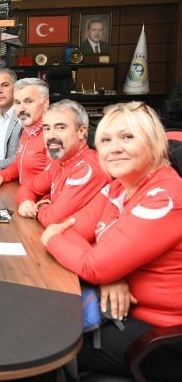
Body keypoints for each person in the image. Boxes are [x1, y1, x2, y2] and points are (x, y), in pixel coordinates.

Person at [41, 102, 182, 380]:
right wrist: (109, 274)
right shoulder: (117, 187)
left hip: (159, 336)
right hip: (116, 313)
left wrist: (51, 237)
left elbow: (89, 260)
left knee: (41, 338)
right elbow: (73, 232)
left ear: (154, 141)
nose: (114, 148)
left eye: (127, 137)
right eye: (105, 140)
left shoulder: (166, 197)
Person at [16, 100, 109, 226]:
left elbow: (53, 219)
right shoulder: (60, 161)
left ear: (81, 131)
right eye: (47, 128)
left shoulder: (88, 167)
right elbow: (28, 187)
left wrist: (41, 205)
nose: (51, 135)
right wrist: (25, 201)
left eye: (60, 127)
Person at [0, 78, 50, 189]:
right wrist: (0, 175)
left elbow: (54, 183)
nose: (21, 109)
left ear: (45, 103)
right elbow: (18, 164)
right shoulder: (28, 131)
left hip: (35, 198)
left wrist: (25, 194)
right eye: (17, 103)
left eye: (29, 101)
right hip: (23, 195)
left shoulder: (53, 135)